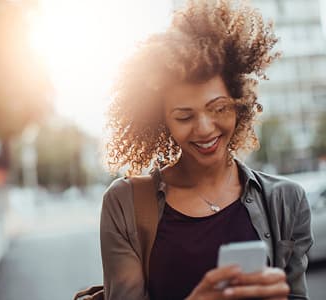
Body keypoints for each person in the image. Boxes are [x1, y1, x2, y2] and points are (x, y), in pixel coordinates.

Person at [100, 0, 313, 299]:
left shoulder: (286, 200)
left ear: (240, 105)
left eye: (219, 108)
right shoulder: (124, 205)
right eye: (184, 117)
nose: (204, 128)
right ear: (161, 121)